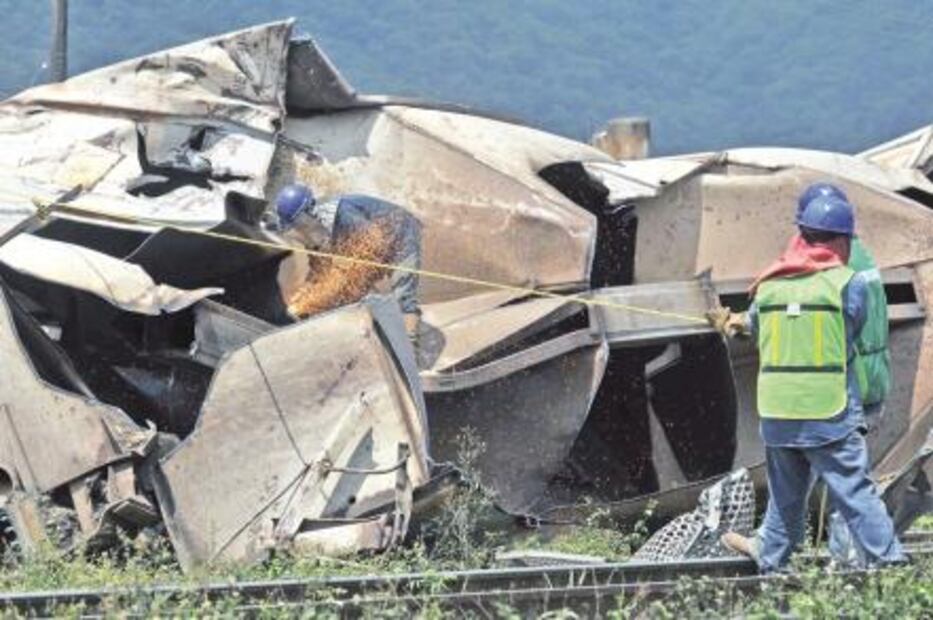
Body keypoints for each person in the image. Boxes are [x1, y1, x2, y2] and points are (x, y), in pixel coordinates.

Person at [708, 193, 904, 573]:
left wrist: (733, 324)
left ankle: (771, 557)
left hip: (778, 412)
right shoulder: (849, 285)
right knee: (854, 491)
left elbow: (755, 326)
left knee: (786, 494)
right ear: (843, 241)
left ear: (801, 235)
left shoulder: (767, 288)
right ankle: (890, 562)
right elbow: (853, 329)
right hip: (827, 410)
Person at [271, 183, 422, 336]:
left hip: (400, 232)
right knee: (350, 290)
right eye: (293, 227)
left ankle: (409, 346)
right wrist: (306, 298)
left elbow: (373, 243)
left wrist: (345, 276)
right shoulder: (313, 233)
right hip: (375, 245)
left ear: (310, 212)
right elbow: (319, 271)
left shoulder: (342, 213)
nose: (298, 230)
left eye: (299, 224)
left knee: (404, 296)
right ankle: (377, 331)